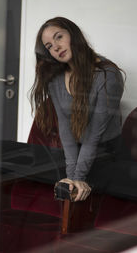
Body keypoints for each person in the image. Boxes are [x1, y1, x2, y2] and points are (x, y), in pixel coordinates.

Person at [30, 17, 125, 202]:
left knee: (67, 186)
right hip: (75, 150)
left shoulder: (107, 75)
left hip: (105, 153)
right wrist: (71, 177)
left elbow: (93, 135)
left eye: (59, 37)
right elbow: (65, 128)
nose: (56, 47)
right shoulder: (55, 76)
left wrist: (77, 178)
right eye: (49, 46)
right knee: (16, 160)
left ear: (73, 34)